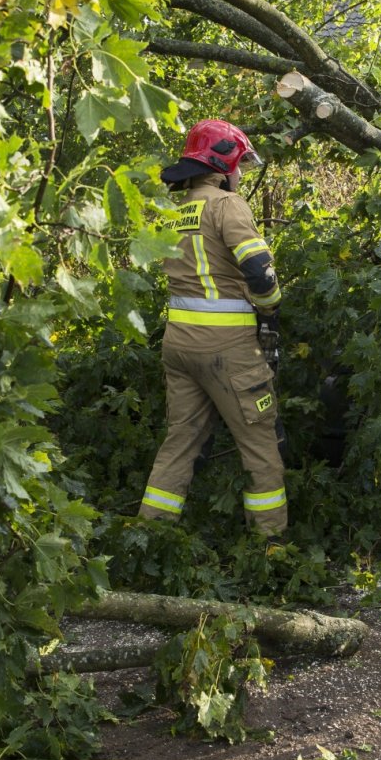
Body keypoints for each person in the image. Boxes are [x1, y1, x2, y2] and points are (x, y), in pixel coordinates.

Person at [138, 119, 288, 537]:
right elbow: (259, 271)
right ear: (223, 165)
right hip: (228, 350)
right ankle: (271, 548)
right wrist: (271, 309)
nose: (240, 174)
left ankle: (147, 540)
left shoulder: (176, 210)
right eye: (239, 165)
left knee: (180, 444)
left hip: (179, 346)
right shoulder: (227, 206)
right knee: (261, 446)